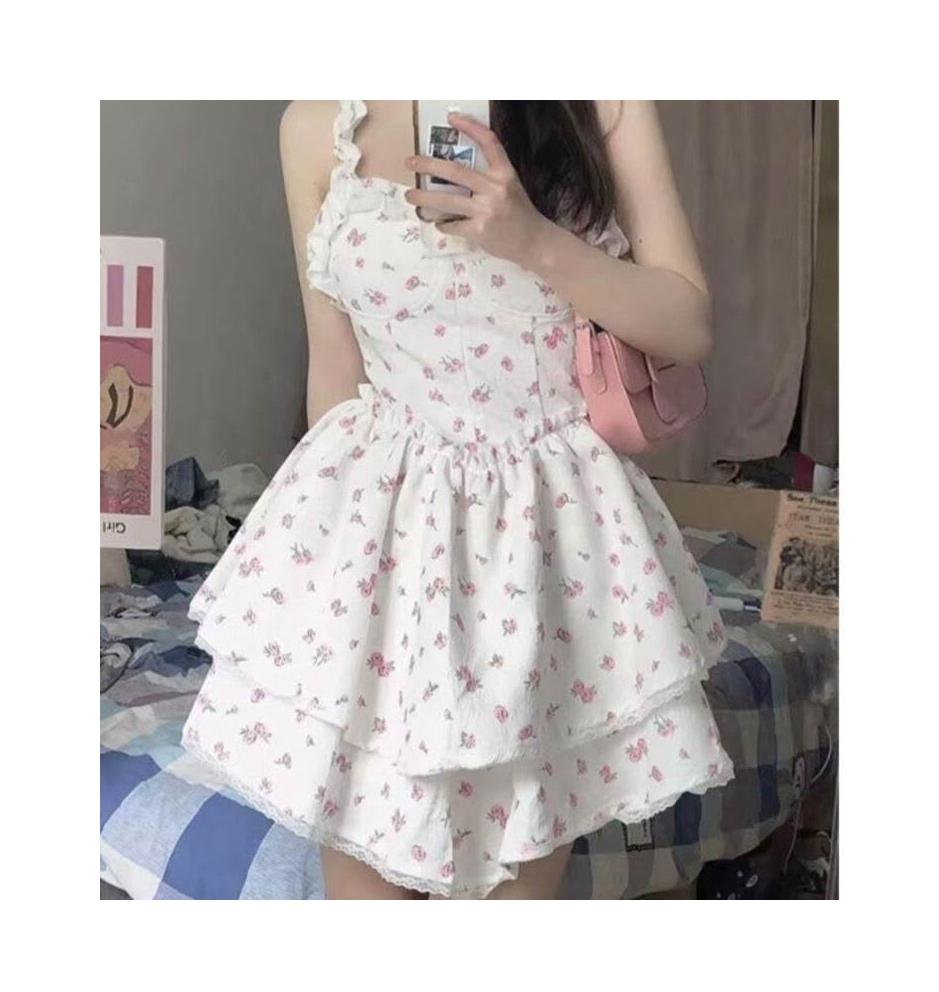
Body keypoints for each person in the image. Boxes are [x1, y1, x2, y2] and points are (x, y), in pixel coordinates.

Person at [180, 100, 735, 900]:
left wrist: (533, 240)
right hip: (384, 530)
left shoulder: (602, 100)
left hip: (542, 537)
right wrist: (325, 577)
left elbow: (688, 326)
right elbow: (333, 367)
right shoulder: (315, 125)